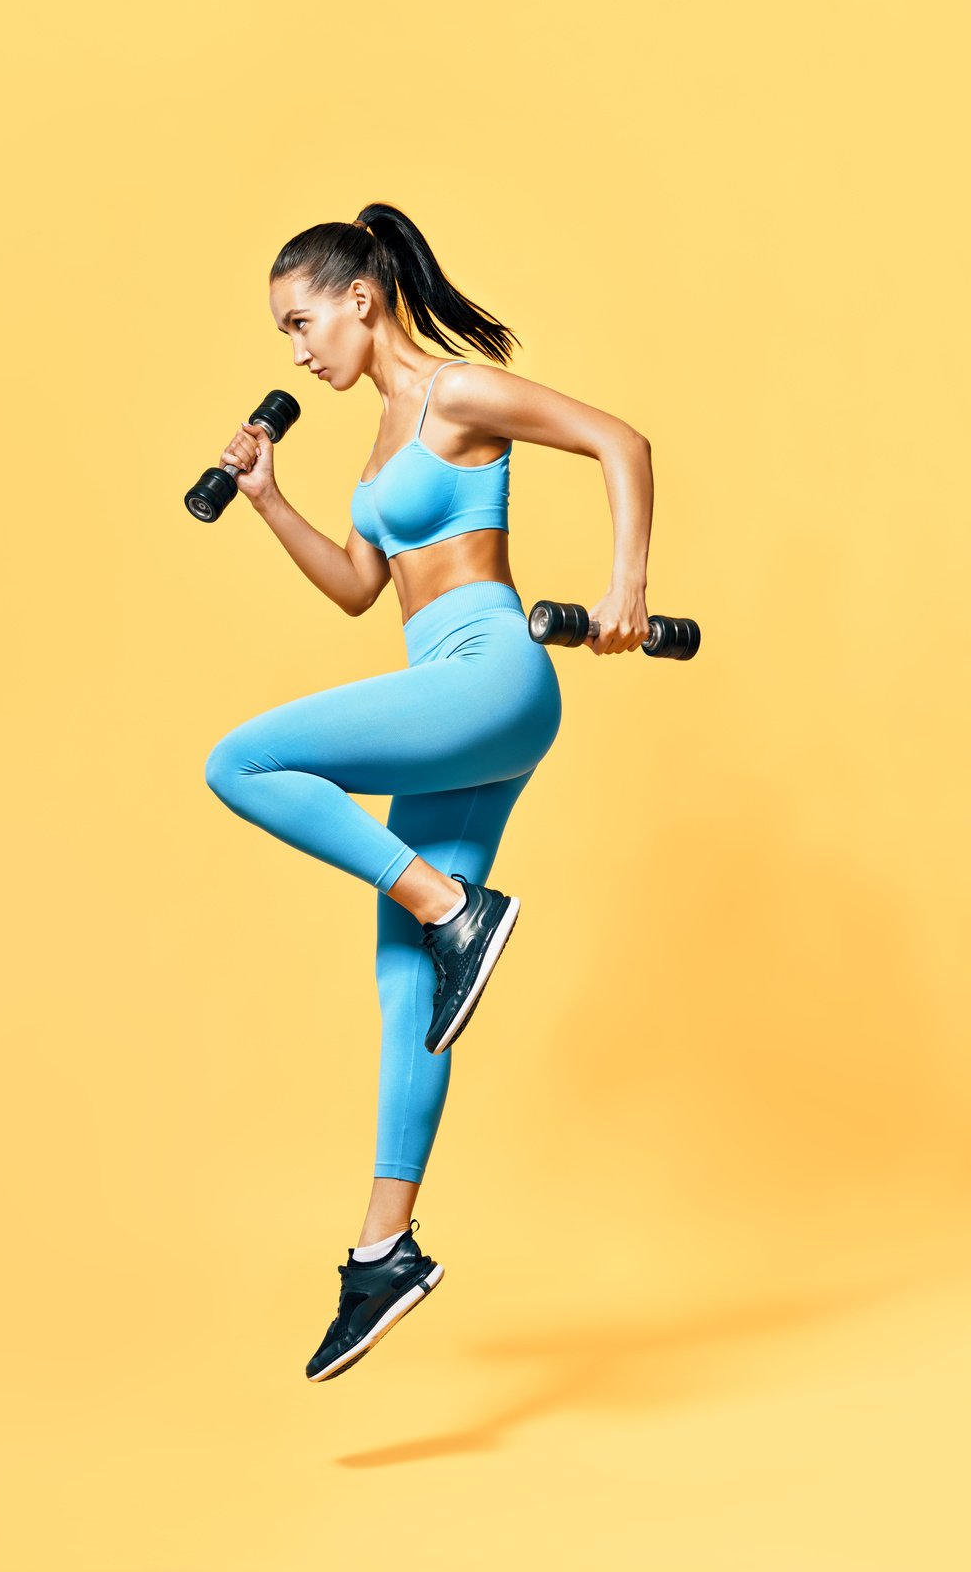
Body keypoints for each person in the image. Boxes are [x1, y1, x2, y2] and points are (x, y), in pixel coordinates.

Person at [204, 201, 653, 1381]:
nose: (297, 352)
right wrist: (268, 501)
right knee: (408, 979)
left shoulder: (453, 395)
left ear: (360, 298)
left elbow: (621, 442)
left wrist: (625, 586)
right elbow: (360, 587)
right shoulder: (373, 443)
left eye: (303, 322)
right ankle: (383, 1249)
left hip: (489, 676)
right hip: (445, 695)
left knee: (240, 761)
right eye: (286, 334)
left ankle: (460, 911)